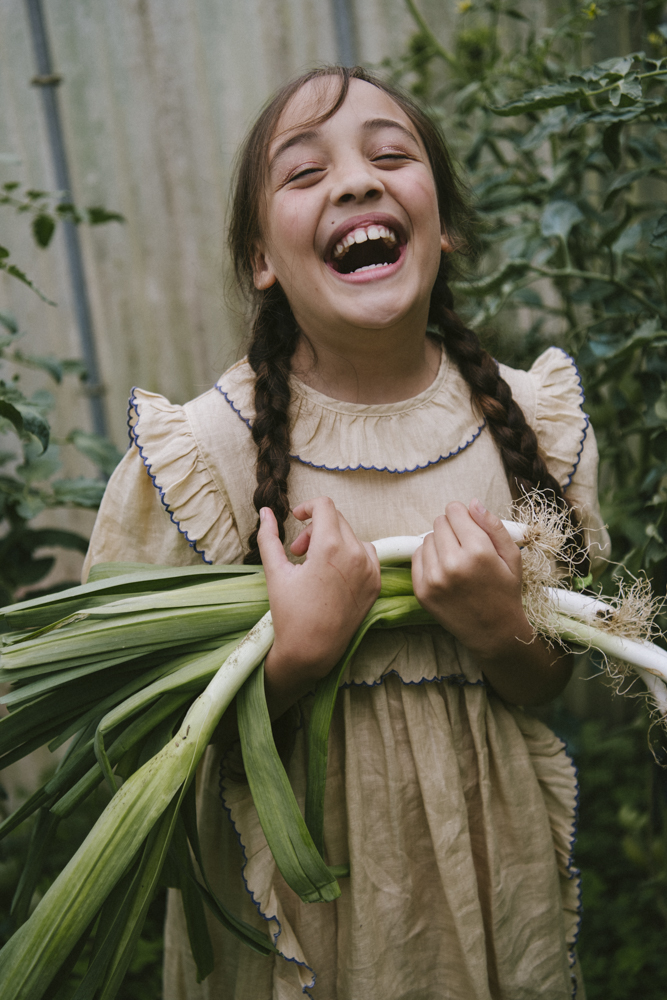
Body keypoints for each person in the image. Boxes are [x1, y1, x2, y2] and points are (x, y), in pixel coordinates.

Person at [84, 65, 609, 1000]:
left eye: (389, 156)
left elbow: (545, 680)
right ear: (259, 258)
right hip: (294, 906)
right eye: (303, 172)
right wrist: (298, 655)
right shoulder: (206, 456)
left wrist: (503, 632)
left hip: (489, 881)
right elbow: (143, 739)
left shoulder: (531, 423)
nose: (357, 182)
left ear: (439, 222)